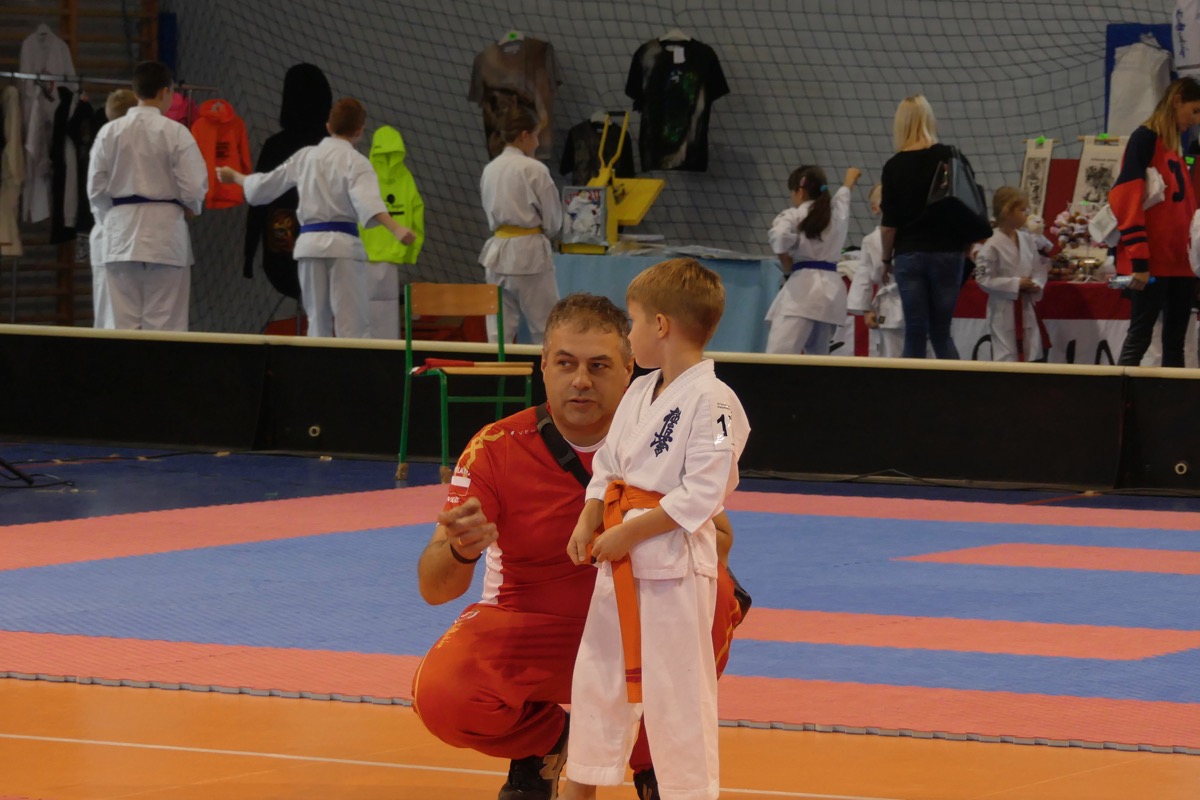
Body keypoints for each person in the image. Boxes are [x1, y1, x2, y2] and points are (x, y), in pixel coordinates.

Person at [413, 292, 746, 800]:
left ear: (630, 368)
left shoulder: (668, 432)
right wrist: (461, 548)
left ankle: (654, 761)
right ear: (543, 365)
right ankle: (549, 743)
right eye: (566, 363)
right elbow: (434, 590)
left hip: (638, 623)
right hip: (532, 628)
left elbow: (720, 540)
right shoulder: (495, 448)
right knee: (442, 696)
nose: (582, 380)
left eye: (599, 365)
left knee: (716, 593)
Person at [562, 259, 749, 800]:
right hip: (620, 558)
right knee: (598, 682)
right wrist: (590, 514)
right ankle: (578, 788)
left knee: (677, 695)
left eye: (634, 322)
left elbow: (705, 492)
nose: (630, 334)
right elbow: (608, 465)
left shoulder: (716, 401)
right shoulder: (641, 390)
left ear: (661, 325)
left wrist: (631, 532)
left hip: (674, 567)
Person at [217, 97, 415, 339]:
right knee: (352, 323)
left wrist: (236, 177)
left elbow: (266, 185)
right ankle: (350, 364)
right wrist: (395, 228)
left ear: (328, 126)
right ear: (360, 131)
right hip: (343, 248)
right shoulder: (356, 162)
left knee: (317, 322)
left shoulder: (306, 156)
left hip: (310, 247)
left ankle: (316, 362)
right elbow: (368, 202)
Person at [86, 61, 208, 331]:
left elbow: (95, 189)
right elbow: (194, 185)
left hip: (120, 233)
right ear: (166, 91)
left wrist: (112, 217)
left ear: (136, 91)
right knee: (165, 326)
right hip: (165, 234)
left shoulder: (109, 132)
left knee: (120, 325)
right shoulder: (176, 132)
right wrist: (191, 206)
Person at [879, 95, 980, 359]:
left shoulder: (894, 166)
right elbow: (969, 203)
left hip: (910, 254)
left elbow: (888, 225)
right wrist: (967, 245)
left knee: (915, 331)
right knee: (941, 332)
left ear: (900, 124)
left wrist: (885, 259)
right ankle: (954, 383)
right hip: (948, 253)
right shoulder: (950, 156)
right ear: (929, 120)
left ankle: (911, 385)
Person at [1111, 76, 1200, 367]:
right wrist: (1139, 261)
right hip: (1152, 262)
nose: (1196, 120)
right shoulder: (1145, 139)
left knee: (1175, 344)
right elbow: (1126, 200)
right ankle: (1119, 395)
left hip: (1180, 264)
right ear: (1177, 101)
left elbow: (1186, 210)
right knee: (1140, 337)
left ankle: (1171, 398)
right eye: (1194, 111)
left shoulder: (1175, 148)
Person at [478, 103, 563, 345]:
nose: (537, 143)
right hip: (529, 253)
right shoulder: (534, 169)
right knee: (545, 327)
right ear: (524, 135)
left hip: (497, 253)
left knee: (498, 332)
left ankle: (498, 370)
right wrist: (548, 230)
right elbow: (553, 220)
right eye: (536, 136)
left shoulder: (490, 169)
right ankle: (547, 370)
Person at [765, 164, 861, 354]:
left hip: (802, 292)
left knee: (778, 355)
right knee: (818, 359)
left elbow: (779, 235)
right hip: (831, 293)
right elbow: (843, 196)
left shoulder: (795, 215)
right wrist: (850, 180)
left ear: (800, 192)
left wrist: (785, 261)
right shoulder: (837, 214)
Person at [974, 187, 1051, 362]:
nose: (1026, 214)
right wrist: (1016, 284)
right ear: (1007, 212)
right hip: (1003, 308)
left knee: (1031, 354)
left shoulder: (1027, 239)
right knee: (1007, 357)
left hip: (1026, 305)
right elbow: (983, 279)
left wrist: (1036, 284)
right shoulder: (991, 244)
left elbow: (1038, 268)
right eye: (1022, 210)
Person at [88, 88, 137, 330]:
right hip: (127, 232)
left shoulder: (105, 139)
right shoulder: (147, 139)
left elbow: (96, 192)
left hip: (112, 230)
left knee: (110, 313)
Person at [847, 183, 906, 358]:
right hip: (889, 305)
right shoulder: (870, 241)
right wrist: (866, 310)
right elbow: (863, 276)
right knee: (890, 355)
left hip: (918, 302)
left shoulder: (915, 235)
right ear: (875, 209)